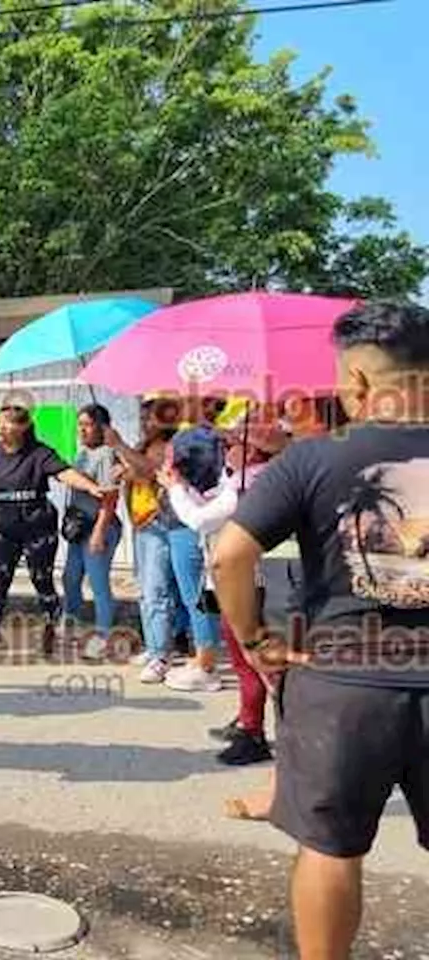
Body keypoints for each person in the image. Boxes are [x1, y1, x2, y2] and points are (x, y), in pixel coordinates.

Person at [212, 300, 429, 960]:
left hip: (342, 686)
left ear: (359, 383)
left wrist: (252, 641)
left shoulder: (312, 460)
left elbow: (229, 555)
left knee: (331, 850)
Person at [160, 410, 290, 767]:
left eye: (233, 442)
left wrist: (174, 489)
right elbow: (211, 505)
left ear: (253, 450)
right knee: (243, 654)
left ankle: (258, 732)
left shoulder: (257, 481)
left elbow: (202, 519)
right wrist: (182, 487)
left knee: (253, 659)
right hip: (240, 578)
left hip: (253, 582)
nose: (226, 449)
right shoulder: (241, 479)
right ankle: (249, 720)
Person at [0, 405, 109, 657]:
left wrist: (90, 487)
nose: (0, 427)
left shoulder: (39, 452)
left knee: (41, 579)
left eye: (8, 423)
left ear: (23, 427)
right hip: (5, 525)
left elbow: (64, 473)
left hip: (37, 523)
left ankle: (49, 628)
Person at [106, 399, 222, 688]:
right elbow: (146, 472)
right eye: (142, 417)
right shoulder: (171, 442)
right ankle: (185, 653)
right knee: (162, 592)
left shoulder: (191, 442)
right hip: (166, 523)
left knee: (184, 594)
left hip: (183, 523)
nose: (145, 422)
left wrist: (120, 446)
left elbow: (153, 471)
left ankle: (194, 661)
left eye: (152, 418)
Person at [61, 404, 122, 661]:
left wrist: (99, 532)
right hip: (80, 528)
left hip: (100, 526)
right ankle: (70, 625)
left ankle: (103, 636)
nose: (81, 430)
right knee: (70, 577)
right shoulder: (83, 452)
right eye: (79, 425)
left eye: (87, 424)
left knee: (98, 583)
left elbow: (110, 498)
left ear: (102, 427)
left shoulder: (107, 455)